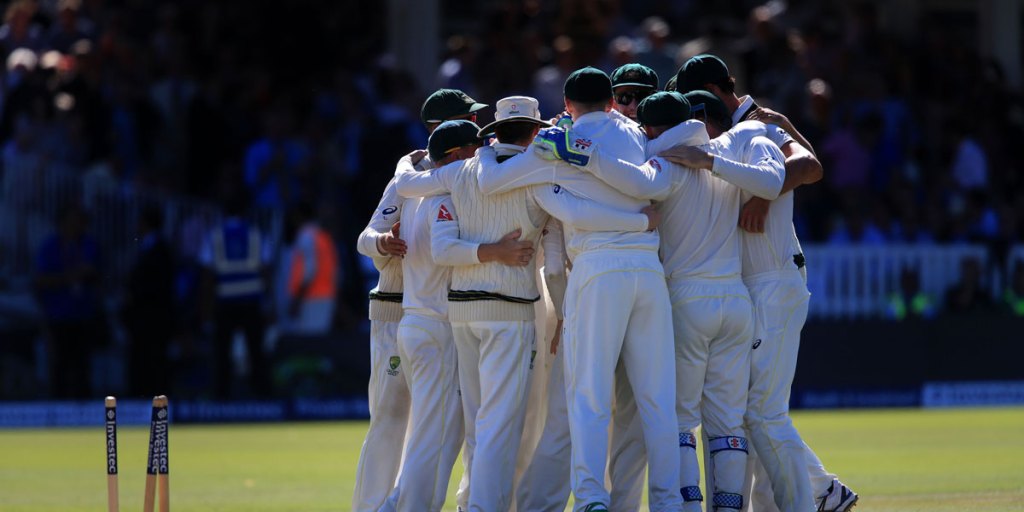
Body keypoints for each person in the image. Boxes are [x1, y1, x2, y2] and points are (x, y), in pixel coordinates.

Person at [394, 97, 660, 511]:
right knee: (500, 425)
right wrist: (563, 315)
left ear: (494, 130)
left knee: (479, 424)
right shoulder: (539, 176)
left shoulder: (462, 170)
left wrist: (403, 165)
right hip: (510, 312)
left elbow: (410, 188)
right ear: (535, 131)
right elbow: (554, 264)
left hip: (462, 311)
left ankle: (471, 505)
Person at [557, 91, 785, 512]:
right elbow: (771, 181)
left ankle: (683, 507)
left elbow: (637, 179)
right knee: (728, 424)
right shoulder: (726, 150)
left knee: (679, 420)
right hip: (735, 301)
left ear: (656, 128)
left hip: (686, 299)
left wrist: (583, 151)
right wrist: (717, 165)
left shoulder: (667, 159)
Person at [476, 67, 681, 512]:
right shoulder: (634, 134)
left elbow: (490, 182)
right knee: (658, 396)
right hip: (648, 269)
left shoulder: (553, 143)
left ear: (568, 105)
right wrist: (638, 221)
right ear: (611, 101)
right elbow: (656, 181)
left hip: (596, 268)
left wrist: (487, 150)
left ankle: (591, 498)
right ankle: (670, 501)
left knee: (587, 393)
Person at [676, 54, 857, 512]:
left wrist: (765, 188)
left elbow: (810, 166)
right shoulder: (732, 127)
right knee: (744, 412)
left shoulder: (758, 123)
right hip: (747, 284)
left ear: (715, 92)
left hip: (771, 276)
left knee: (759, 412)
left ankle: (818, 495)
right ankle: (806, 495)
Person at [351, 88, 486, 512]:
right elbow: (364, 239)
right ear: (439, 128)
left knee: (442, 423)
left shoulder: (467, 170)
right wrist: (383, 243)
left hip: (440, 312)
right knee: (391, 420)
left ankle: (404, 502)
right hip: (396, 308)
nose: (478, 126)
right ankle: (375, 507)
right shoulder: (407, 180)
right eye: (469, 118)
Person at [378, 120, 479, 512]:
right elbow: (446, 252)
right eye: (472, 148)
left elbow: (407, 179)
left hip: (417, 321)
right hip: (436, 325)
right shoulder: (443, 195)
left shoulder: (419, 193)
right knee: (430, 435)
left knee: (436, 432)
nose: (477, 155)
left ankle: (404, 505)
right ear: (454, 156)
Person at [199, 192, 272, 399]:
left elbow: (207, 275)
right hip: (251, 301)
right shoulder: (255, 234)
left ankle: (222, 399)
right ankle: (264, 399)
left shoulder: (215, 236)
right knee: (256, 352)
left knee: (223, 353)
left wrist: (205, 309)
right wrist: (269, 303)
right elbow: (266, 270)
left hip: (225, 302)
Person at [34, 202, 104, 399]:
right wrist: (71, 276)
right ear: (62, 222)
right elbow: (40, 279)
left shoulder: (89, 244)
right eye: (72, 220)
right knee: (59, 366)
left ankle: (85, 414)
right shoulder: (50, 246)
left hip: (83, 315)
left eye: (79, 221)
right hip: (58, 316)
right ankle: (58, 410)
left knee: (82, 366)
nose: (76, 225)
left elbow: (95, 273)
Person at [123, 204, 176, 396]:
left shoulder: (160, 249)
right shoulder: (147, 247)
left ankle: (156, 405)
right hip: (142, 319)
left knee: (154, 362)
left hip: (153, 318)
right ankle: (141, 399)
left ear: (145, 222)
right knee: (142, 362)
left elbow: (157, 285)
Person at [281, 203, 338, 336]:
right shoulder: (322, 236)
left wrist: (297, 300)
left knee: (310, 344)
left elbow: (309, 271)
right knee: (319, 341)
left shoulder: (306, 236)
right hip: (326, 296)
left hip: (310, 298)